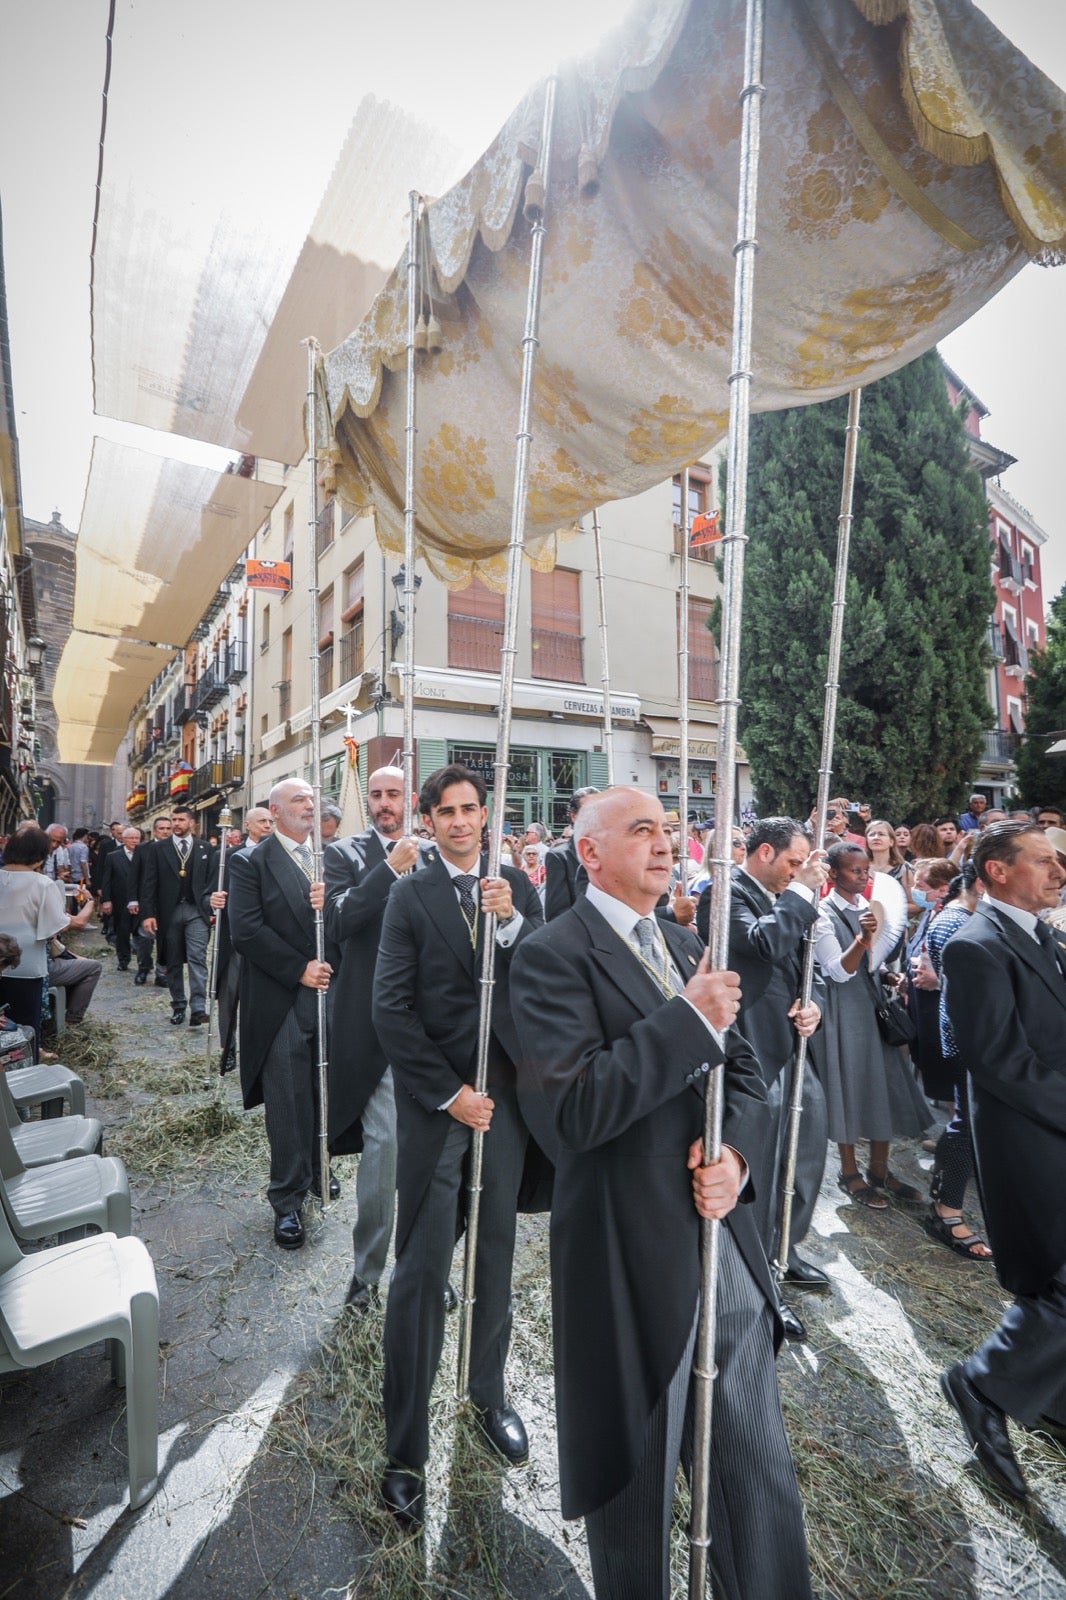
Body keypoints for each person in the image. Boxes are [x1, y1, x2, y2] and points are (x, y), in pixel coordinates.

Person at [510, 788, 812, 1600]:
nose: (664, 842)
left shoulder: (685, 942)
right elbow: (570, 1114)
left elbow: (750, 1076)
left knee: (757, 1472)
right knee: (635, 1483)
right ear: (591, 854)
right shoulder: (548, 955)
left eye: (669, 829)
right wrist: (684, 1019)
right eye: (641, 829)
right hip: (629, 1254)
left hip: (728, 1251)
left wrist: (740, 1160)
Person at [371, 764, 545, 1529]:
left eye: (472, 810)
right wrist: (449, 1093)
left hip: (505, 1103)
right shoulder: (408, 896)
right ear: (429, 819)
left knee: (497, 1253)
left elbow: (545, 983)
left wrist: (512, 927)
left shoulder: (518, 888)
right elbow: (390, 1005)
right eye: (447, 812)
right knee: (422, 1269)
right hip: (441, 1104)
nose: (462, 822)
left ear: (486, 815)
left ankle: (489, 1395)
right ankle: (404, 1450)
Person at [940, 822, 1066, 1500]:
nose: (1060, 872)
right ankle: (980, 1381)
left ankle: (1047, 1400)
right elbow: (1001, 1063)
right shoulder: (974, 947)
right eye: (1045, 861)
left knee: (1055, 1276)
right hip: (1031, 1143)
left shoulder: (1043, 936)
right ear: (994, 870)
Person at [697, 816, 828, 1330]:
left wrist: (812, 1003)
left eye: (802, 865)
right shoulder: (723, 892)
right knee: (762, 1163)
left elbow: (804, 963)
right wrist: (799, 894)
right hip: (751, 1047)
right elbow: (762, 944)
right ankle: (759, 1276)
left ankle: (785, 1248)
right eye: (793, 862)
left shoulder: (792, 894)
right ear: (765, 853)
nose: (799, 872)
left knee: (806, 1149)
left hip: (794, 1041)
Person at [323, 766, 422, 1311]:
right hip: (373, 1023)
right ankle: (367, 1276)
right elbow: (340, 922)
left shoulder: (433, 852)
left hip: (431, 1028)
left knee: (432, 1159)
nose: (385, 804)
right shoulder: (344, 854)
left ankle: (424, 1261)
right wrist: (388, 869)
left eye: (393, 795)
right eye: (376, 795)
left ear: (409, 800)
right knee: (384, 1151)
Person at [228, 779, 335, 1251]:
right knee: (289, 1102)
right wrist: (299, 970)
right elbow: (245, 931)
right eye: (299, 800)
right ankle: (287, 1199)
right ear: (274, 810)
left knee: (322, 1090)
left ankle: (316, 1170)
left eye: (312, 800)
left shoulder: (331, 857)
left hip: (331, 995)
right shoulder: (249, 862)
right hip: (280, 999)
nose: (310, 806)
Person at [815, 841, 932, 1208]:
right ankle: (849, 1172)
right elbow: (837, 969)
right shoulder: (820, 914)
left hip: (872, 1004)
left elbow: (871, 961)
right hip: (843, 1010)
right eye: (854, 870)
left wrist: (885, 974)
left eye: (866, 870)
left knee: (886, 1083)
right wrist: (863, 940)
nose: (863, 876)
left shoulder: (868, 905)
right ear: (833, 874)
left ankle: (880, 1170)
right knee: (849, 1086)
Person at [921, 861, 992, 1261]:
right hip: (969, 1036)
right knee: (966, 1123)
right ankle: (946, 1209)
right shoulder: (954, 921)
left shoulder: (967, 916)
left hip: (974, 1035)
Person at [0, 825, 96, 1044]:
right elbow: (61, 925)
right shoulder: (42, 884)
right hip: (26, 967)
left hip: (2, 963)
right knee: (25, 1031)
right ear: (40, 855)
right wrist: (89, 903)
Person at [140, 805, 216, 1025]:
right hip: (168, 912)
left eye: (181, 819)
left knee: (197, 957)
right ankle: (179, 1006)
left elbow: (211, 883)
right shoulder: (159, 849)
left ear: (192, 823)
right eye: (174, 819)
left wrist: (211, 910)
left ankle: (199, 1008)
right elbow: (149, 883)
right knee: (172, 961)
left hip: (196, 911)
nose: (176, 824)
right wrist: (148, 914)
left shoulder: (205, 848)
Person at [215, 805, 275, 1067]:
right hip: (235, 938)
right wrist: (212, 899)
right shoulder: (228, 856)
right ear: (247, 825)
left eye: (271, 821)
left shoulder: (278, 853)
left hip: (269, 937)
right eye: (262, 821)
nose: (268, 825)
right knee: (229, 995)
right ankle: (228, 1048)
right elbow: (211, 892)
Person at [128, 814, 173, 986]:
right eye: (162, 828)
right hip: (146, 902)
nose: (165, 832)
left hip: (167, 903)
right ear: (154, 830)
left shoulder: (175, 848)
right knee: (145, 939)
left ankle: (162, 973)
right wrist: (133, 900)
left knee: (166, 940)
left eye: (168, 829)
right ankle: (143, 967)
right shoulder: (142, 849)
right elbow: (134, 876)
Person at [544, 787, 600, 919]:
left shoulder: (614, 851)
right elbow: (557, 914)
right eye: (589, 811)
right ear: (574, 816)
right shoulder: (559, 857)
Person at [100, 827, 143, 972]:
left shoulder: (146, 855)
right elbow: (106, 879)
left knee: (142, 933)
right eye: (131, 838)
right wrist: (106, 900)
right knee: (122, 932)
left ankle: (144, 962)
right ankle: (123, 959)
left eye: (137, 838)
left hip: (142, 900)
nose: (134, 841)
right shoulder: (113, 856)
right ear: (123, 840)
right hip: (120, 900)